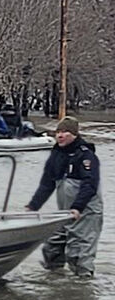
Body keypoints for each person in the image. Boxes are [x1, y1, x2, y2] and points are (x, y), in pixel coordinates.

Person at [26, 116, 103, 278]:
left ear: (74, 134)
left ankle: (83, 284)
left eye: (65, 132)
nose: (60, 135)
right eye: (58, 132)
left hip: (85, 212)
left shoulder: (86, 155)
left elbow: (90, 184)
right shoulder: (57, 154)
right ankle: (56, 281)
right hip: (66, 212)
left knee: (78, 252)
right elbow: (47, 183)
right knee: (52, 246)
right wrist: (33, 206)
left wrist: (77, 207)